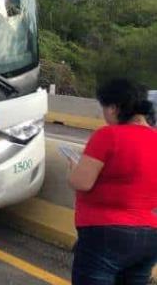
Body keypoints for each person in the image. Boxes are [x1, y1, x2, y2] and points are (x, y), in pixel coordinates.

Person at [68, 78, 156, 285]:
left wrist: (73, 169)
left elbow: (82, 183)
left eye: (104, 108)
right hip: (149, 236)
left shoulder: (108, 135)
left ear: (114, 107)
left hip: (104, 234)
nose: (104, 115)